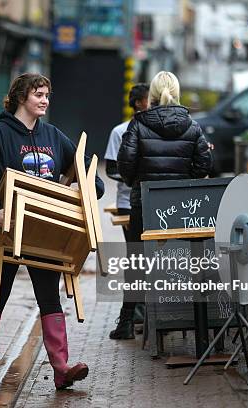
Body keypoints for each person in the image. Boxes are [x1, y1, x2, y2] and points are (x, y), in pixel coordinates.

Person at [0, 73, 104, 390]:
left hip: (44, 233)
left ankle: (61, 369)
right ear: (21, 97)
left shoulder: (54, 136)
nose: (44, 100)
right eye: (38, 95)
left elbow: (86, 173)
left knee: (49, 299)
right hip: (8, 230)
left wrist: (87, 187)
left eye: (47, 94)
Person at [117, 71, 213, 325]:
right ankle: (183, 318)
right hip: (181, 206)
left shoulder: (138, 123)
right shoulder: (192, 125)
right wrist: (184, 181)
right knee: (182, 260)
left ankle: (127, 322)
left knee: (137, 260)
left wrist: (136, 182)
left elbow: (124, 164)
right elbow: (204, 163)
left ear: (152, 96)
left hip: (144, 203)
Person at [104, 83, 149, 340]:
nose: (151, 105)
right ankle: (134, 314)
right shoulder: (120, 131)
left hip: (149, 201)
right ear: (138, 104)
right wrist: (132, 177)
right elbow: (110, 168)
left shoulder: (151, 129)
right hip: (128, 202)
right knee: (136, 258)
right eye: (147, 101)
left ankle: (141, 311)